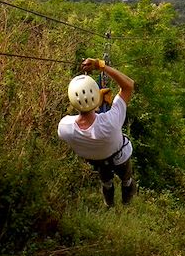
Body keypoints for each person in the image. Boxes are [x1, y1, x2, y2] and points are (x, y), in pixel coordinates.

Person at [57, 58, 136, 207]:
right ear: (97, 98)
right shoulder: (111, 120)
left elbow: (81, 120)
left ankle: (109, 203)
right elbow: (128, 86)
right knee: (126, 179)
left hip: (98, 161)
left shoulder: (65, 128)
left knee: (106, 182)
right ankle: (127, 199)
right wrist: (102, 66)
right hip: (120, 156)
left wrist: (95, 106)